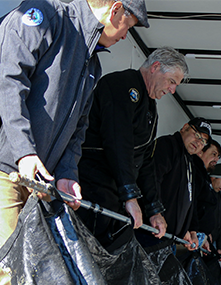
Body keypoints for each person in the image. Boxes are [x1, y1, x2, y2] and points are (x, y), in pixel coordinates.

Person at [0, 0, 147, 285]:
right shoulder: (42, 17)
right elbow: (7, 82)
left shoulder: (91, 63)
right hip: (7, 169)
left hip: (41, 181)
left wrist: (66, 174)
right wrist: (25, 152)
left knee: (40, 277)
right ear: (116, 10)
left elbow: (79, 126)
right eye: (129, 25)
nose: (124, 36)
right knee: (9, 274)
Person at [77, 47, 187, 249]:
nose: (172, 90)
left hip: (115, 192)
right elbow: (119, 144)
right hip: (93, 185)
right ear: (155, 67)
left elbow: (145, 161)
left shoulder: (151, 109)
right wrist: (130, 196)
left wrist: (154, 209)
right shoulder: (122, 85)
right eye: (172, 81)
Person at [138, 118, 212, 253]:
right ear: (184, 128)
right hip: (150, 232)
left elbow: (191, 200)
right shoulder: (167, 145)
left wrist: (192, 230)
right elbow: (150, 181)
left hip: (168, 239)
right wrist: (155, 212)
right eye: (196, 135)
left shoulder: (190, 162)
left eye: (203, 141)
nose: (198, 142)